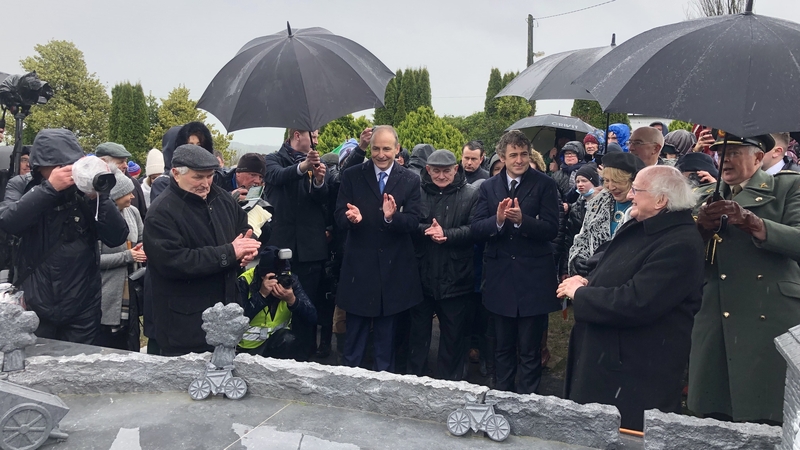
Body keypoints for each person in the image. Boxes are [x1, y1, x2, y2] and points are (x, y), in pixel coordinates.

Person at [558, 165, 704, 431]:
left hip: (633, 372)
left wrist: (581, 294)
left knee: (623, 435)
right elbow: (617, 268)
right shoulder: (645, 225)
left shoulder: (679, 244)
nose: (631, 195)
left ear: (661, 200)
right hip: (612, 361)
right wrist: (588, 280)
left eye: (637, 189)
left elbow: (637, 301)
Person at [691, 133, 800, 426]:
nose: (725, 158)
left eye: (735, 152)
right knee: (714, 408)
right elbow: (680, 258)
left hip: (768, 309)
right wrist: (700, 230)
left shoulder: (789, 187)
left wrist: (755, 223)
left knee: (766, 405)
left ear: (757, 157)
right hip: (716, 310)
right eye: (721, 153)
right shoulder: (704, 196)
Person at [0, 129, 129, 344]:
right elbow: (9, 222)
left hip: (82, 304)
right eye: (59, 166)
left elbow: (117, 237)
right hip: (34, 301)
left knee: (79, 367)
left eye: (71, 164)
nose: (67, 171)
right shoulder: (22, 185)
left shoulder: (85, 191)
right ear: (39, 166)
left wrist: (98, 197)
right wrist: (49, 189)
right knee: (34, 368)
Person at [143, 144, 260, 356]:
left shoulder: (221, 197)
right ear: (176, 174)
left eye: (210, 176)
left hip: (227, 314)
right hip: (186, 324)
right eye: (198, 177)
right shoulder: (161, 212)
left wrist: (246, 248)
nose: (206, 183)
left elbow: (243, 226)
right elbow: (174, 262)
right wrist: (230, 253)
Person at [470, 130, 560, 394]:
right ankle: (502, 396)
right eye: (513, 155)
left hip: (533, 278)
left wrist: (522, 220)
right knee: (502, 346)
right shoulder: (488, 186)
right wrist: (498, 221)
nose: (519, 160)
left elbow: (552, 229)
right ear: (502, 157)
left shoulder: (545, 184)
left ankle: (528, 401)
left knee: (530, 349)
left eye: (523, 154)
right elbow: (476, 228)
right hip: (500, 278)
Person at [335, 125, 423, 372]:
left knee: (386, 344)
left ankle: (385, 389)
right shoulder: (352, 175)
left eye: (386, 149)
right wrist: (349, 218)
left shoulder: (410, 179)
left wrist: (391, 218)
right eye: (375, 148)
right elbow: (338, 216)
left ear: (397, 149)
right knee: (354, 342)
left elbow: (415, 221)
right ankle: (347, 388)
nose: (381, 154)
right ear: (369, 147)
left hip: (393, 272)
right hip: (359, 271)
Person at [408, 149, 479, 380]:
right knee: (417, 338)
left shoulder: (471, 194)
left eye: (446, 171)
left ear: (455, 169)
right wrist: (426, 230)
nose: (441, 176)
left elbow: (475, 230)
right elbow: (408, 224)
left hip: (456, 279)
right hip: (421, 276)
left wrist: (447, 234)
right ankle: (415, 382)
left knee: (453, 339)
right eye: (436, 171)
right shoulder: (416, 192)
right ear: (427, 170)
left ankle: (452, 384)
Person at [264, 129, 329, 359]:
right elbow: (278, 177)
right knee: (276, 305)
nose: (317, 140)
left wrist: (320, 180)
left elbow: (324, 201)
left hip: (311, 251)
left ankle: (306, 357)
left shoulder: (318, 164)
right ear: (297, 134)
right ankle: (275, 357)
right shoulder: (272, 159)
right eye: (313, 134)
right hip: (280, 249)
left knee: (306, 309)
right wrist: (304, 168)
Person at [568, 152, 645, 276]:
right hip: (592, 278)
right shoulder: (598, 202)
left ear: (633, 181)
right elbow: (583, 236)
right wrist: (577, 258)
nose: (611, 187)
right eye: (607, 181)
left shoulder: (643, 208)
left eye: (617, 181)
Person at [237, 247, 318, 360]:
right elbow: (236, 323)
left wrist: (292, 300)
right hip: (247, 349)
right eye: (275, 278)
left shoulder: (291, 279)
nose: (281, 281)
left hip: (279, 344)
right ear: (262, 276)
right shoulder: (244, 281)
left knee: (291, 336)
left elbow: (312, 316)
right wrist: (261, 295)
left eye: (283, 276)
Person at [97, 170, 146, 350]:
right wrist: (128, 256)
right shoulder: (100, 219)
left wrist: (144, 249)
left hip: (131, 294)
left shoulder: (133, 212)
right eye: (128, 193)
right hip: (107, 297)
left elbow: (141, 240)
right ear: (116, 195)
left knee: (130, 342)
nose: (133, 196)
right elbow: (95, 260)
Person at [559, 165, 602, 280]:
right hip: (580, 262)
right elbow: (569, 239)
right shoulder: (576, 208)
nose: (580, 184)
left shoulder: (604, 206)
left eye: (584, 180)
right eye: (577, 181)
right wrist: (566, 267)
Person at [95, 142, 147, 221]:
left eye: (126, 161)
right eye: (121, 162)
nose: (126, 165)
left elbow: (143, 214)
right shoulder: (92, 190)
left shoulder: (133, 183)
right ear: (103, 161)